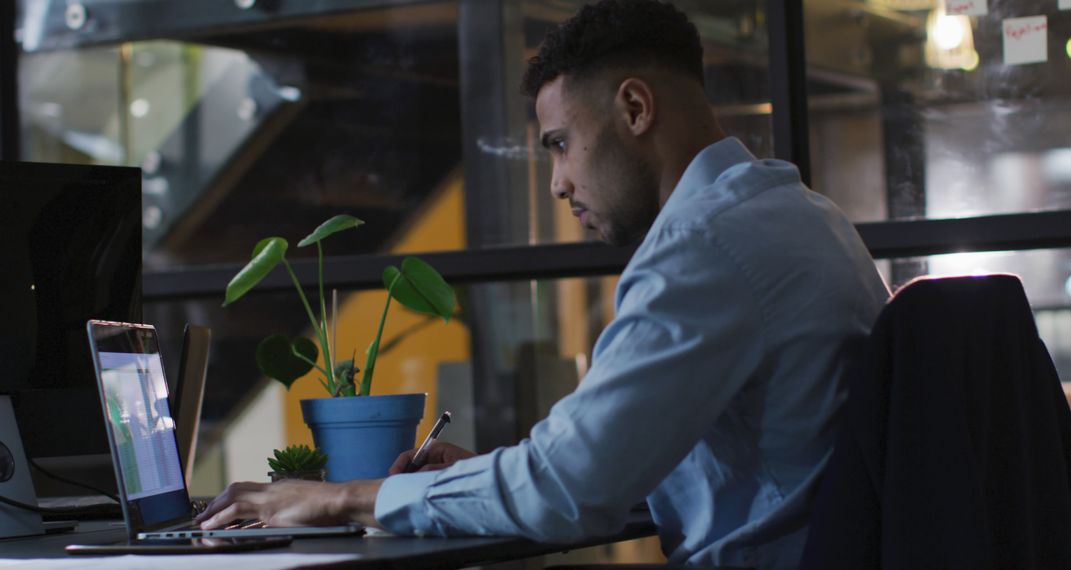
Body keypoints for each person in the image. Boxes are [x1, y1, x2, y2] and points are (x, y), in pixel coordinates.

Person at [195, 1, 889, 566]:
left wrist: (338, 498)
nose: (557, 183)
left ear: (636, 109)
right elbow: (640, 474)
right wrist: (475, 483)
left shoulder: (702, 247)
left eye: (559, 143)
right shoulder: (803, 213)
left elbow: (568, 490)